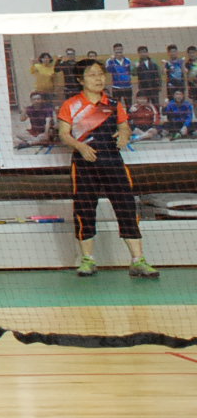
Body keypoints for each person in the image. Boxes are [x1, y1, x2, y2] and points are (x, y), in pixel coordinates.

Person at [56, 59, 157, 278]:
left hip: (113, 162)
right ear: (80, 79)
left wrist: (124, 135)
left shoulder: (113, 103)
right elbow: (64, 134)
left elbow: (124, 126)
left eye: (101, 74)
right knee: (84, 209)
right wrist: (80, 147)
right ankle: (87, 260)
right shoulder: (71, 105)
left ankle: (138, 261)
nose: (99, 78)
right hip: (84, 163)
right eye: (92, 74)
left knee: (126, 207)